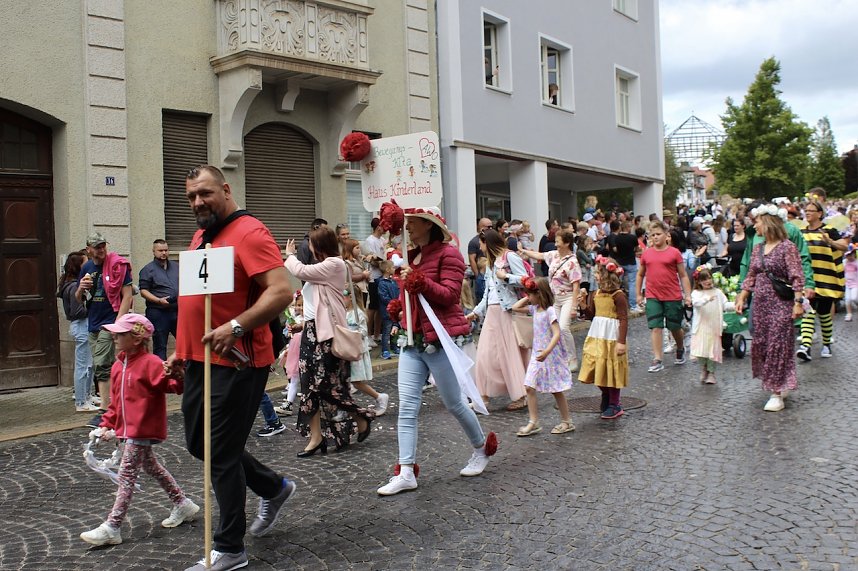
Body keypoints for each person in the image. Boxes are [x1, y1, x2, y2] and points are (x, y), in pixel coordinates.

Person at [170, 165, 296, 571]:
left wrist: (237, 325)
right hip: (197, 357)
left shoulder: (251, 232)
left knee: (219, 452)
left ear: (225, 189)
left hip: (237, 361)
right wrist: (181, 348)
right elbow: (197, 299)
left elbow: (282, 291)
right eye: (191, 196)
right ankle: (273, 487)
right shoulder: (202, 235)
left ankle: (229, 548)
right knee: (198, 443)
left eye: (205, 193)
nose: (197, 203)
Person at [377, 206, 498, 496]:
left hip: (439, 341)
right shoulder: (411, 256)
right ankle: (406, 470)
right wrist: (400, 311)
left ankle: (481, 448)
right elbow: (411, 298)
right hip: (412, 342)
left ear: (429, 226)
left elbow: (449, 296)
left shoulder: (449, 255)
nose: (407, 227)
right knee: (406, 407)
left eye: (413, 223)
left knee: (454, 403)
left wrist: (418, 281)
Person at [80, 314, 198, 547]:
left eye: (120, 334)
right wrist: (106, 423)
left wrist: (180, 373)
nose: (114, 337)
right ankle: (182, 503)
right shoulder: (117, 365)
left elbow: (174, 386)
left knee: (126, 475)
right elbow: (115, 403)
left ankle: (112, 526)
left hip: (143, 429)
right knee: (151, 467)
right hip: (129, 430)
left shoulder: (151, 363)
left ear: (136, 339)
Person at [283, 227, 375, 455]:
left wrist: (290, 255)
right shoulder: (321, 270)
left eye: (312, 244)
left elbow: (299, 270)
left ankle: (360, 416)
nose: (309, 248)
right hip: (311, 332)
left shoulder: (335, 264)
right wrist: (302, 325)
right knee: (308, 386)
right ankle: (316, 437)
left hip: (326, 336)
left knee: (326, 385)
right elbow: (316, 307)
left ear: (320, 247)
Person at [735, 209, 805, 412]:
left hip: (781, 303)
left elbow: (796, 276)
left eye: (756, 222)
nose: (754, 226)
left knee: (778, 344)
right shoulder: (758, 248)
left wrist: (798, 302)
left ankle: (776, 392)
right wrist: (742, 297)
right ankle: (781, 381)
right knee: (763, 344)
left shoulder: (787, 248)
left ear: (768, 222)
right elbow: (751, 275)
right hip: (761, 304)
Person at [468, 229, 530, 411]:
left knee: (510, 355)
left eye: (481, 244)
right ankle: (482, 397)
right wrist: (476, 312)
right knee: (484, 354)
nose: (480, 248)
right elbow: (489, 292)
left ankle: (521, 395)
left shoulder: (509, 257)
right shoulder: (490, 263)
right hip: (493, 313)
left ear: (488, 243)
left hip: (508, 311)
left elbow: (527, 280)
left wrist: (507, 276)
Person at [76, 232, 134, 422]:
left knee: (101, 364)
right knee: (107, 365)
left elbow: (127, 296)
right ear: (88, 249)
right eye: (97, 246)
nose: (101, 250)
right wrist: (81, 289)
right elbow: (78, 299)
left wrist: (118, 323)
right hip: (93, 322)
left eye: (103, 246)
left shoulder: (117, 264)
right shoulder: (87, 267)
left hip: (109, 322)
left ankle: (104, 410)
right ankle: (120, 403)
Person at [511, 277, 575, 436]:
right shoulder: (534, 309)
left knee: (556, 389)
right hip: (537, 355)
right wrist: (528, 296)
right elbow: (515, 307)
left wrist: (547, 351)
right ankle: (533, 422)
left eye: (530, 294)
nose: (528, 297)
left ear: (539, 294)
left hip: (549, 356)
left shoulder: (549, 311)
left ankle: (567, 421)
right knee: (529, 386)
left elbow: (557, 333)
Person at [519, 227, 582, 372]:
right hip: (555, 298)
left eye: (558, 241)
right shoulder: (554, 255)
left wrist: (574, 306)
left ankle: (572, 359)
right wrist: (524, 251)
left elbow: (576, 284)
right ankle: (562, 356)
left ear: (566, 243)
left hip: (567, 298)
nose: (556, 244)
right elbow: (540, 255)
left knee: (564, 328)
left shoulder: (572, 262)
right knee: (556, 329)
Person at [635, 220, 692, 372]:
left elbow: (683, 275)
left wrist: (687, 295)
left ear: (667, 236)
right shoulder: (646, 254)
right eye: (652, 235)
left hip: (672, 296)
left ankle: (680, 348)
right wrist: (639, 294)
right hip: (653, 295)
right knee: (655, 327)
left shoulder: (674, 253)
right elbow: (640, 274)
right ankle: (657, 358)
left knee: (674, 326)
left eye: (658, 234)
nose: (655, 237)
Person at [578, 256, 629, 419]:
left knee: (612, 369)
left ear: (606, 275)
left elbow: (623, 319)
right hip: (597, 335)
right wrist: (584, 305)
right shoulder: (596, 293)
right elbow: (592, 315)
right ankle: (606, 394)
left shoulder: (618, 295)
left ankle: (615, 403)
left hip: (611, 337)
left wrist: (621, 342)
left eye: (597, 272)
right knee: (596, 367)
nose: (594, 275)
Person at [797, 199, 847, 360]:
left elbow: (844, 246)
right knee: (808, 310)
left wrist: (830, 242)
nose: (808, 213)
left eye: (811, 210)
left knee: (824, 313)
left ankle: (826, 344)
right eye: (806, 210)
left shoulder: (830, 230)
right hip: (809, 278)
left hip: (826, 278)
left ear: (820, 214)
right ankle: (805, 346)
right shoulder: (801, 232)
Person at [57, 250, 97, 412]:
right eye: (85, 262)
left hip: (83, 326)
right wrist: (92, 308)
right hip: (81, 326)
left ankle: (87, 396)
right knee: (83, 365)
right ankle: (81, 401)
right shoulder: (74, 286)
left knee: (89, 364)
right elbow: (76, 311)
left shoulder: (71, 283)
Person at [344, 287, 389, 416]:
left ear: (351, 297)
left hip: (355, 351)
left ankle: (379, 397)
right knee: (345, 380)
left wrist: (350, 333)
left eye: (344, 295)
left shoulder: (358, 313)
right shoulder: (345, 312)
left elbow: (363, 331)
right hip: (347, 350)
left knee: (356, 382)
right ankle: (347, 406)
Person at [138, 239, 179, 360]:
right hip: (158, 312)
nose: (164, 253)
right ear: (154, 251)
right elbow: (143, 291)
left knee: (184, 342)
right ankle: (160, 374)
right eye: (160, 250)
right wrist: (158, 300)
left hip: (177, 310)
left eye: (166, 250)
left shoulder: (176, 267)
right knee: (160, 346)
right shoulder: (147, 270)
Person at [689, 266, 728, 384]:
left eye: (709, 278)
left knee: (712, 350)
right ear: (699, 282)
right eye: (704, 279)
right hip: (701, 326)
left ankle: (711, 372)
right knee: (702, 350)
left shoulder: (718, 292)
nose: (707, 281)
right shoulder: (696, 293)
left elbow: (725, 305)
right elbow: (696, 303)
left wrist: (736, 305)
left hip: (713, 326)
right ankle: (704, 368)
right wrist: (707, 299)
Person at [275, 292, 304, 417]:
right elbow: (288, 334)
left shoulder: (307, 320)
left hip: (304, 351)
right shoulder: (296, 319)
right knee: (294, 377)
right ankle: (289, 403)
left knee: (304, 377)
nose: (300, 308)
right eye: (298, 305)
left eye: (303, 305)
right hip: (295, 351)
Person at [364, 218, 388, 346]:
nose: (385, 228)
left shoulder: (383, 240)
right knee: (372, 307)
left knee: (380, 307)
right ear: (378, 227)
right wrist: (383, 265)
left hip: (382, 276)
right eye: (383, 226)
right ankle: (368, 335)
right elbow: (371, 259)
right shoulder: (370, 240)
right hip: (374, 276)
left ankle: (377, 334)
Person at [611, 220, 639, 307]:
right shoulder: (632, 237)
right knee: (632, 284)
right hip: (631, 262)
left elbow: (615, 249)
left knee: (617, 283)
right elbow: (636, 248)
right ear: (627, 228)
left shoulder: (617, 237)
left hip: (620, 262)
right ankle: (633, 305)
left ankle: (616, 303)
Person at [377, 260, 401, 360]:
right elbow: (383, 297)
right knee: (387, 331)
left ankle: (394, 346)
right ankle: (385, 350)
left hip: (394, 310)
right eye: (392, 267)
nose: (394, 269)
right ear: (387, 270)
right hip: (387, 311)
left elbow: (398, 292)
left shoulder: (393, 281)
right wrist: (392, 303)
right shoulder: (382, 283)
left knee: (394, 329)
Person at [342, 238, 370, 305]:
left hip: (363, 289)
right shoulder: (347, 263)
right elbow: (350, 277)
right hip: (355, 291)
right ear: (350, 249)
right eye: (357, 248)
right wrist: (363, 275)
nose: (359, 250)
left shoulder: (358, 260)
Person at [845, 245, 857, 322]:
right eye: (848, 255)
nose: (849, 257)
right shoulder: (844, 262)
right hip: (847, 283)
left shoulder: (856, 262)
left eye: (851, 255)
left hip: (856, 283)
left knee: (854, 298)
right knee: (847, 299)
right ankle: (849, 314)